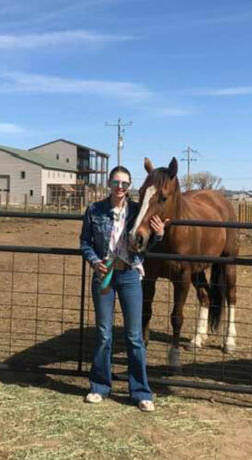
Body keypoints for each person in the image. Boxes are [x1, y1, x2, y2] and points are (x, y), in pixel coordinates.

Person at [79, 165, 168, 412]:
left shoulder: (138, 211)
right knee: (104, 333)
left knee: (134, 337)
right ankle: (99, 387)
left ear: (129, 187)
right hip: (104, 276)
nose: (120, 187)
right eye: (116, 182)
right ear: (109, 183)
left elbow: (149, 239)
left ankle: (140, 391)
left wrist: (160, 234)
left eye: (125, 184)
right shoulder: (94, 210)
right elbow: (85, 242)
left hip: (129, 275)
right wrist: (95, 262)